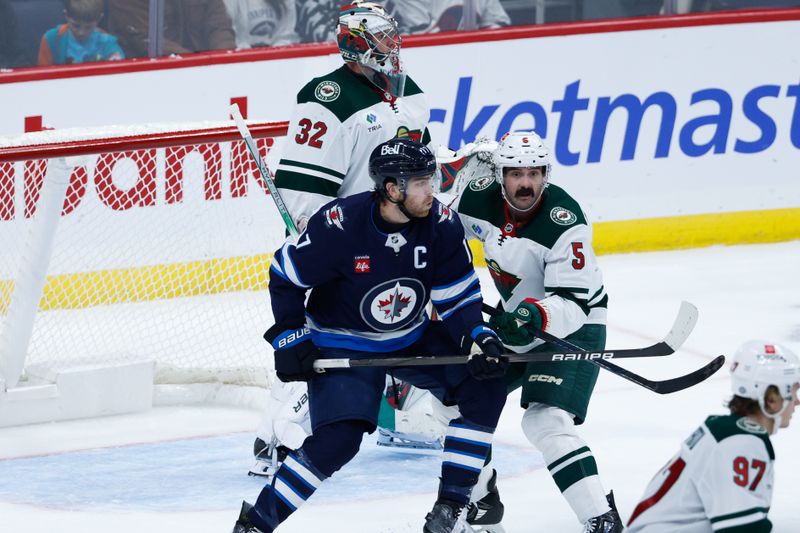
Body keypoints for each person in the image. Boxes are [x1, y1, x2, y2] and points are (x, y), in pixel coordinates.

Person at [232, 138, 509, 533]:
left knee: (485, 386)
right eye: (419, 183)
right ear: (393, 189)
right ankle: (256, 523)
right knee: (338, 442)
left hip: (412, 336)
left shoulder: (442, 225)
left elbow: (458, 296)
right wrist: (289, 336)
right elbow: (284, 275)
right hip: (344, 342)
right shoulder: (339, 225)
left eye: (429, 180)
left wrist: (477, 336)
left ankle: (450, 507)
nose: (431, 190)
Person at [250, 0, 435, 475]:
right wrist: (334, 244)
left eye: (394, 36)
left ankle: (398, 413)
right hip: (348, 243)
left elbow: (419, 165)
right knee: (331, 339)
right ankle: (274, 438)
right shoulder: (326, 98)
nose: (394, 46)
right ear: (357, 43)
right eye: (383, 38)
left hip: (397, 237)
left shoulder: (406, 90)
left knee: (409, 321)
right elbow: (304, 195)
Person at [452, 131, 622, 532]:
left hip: (572, 326)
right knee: (457, 402)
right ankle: (482, 501)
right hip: (513, 323)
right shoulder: (477, 200)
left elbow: (576, 304)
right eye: (515, 173)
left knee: (545, 420)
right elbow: (441, 237)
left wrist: (533, 315)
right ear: (500, 174)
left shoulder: (565, 222)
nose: (525, 183)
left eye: (535, 172)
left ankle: (601, 519)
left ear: (546, 174)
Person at [627, 340, 800, 532]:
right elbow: (743, 529)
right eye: (793, 392)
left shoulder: (727, 432)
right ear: (772, 398)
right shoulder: (740, 443)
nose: (797, 401)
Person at [106, 0, 235, 58]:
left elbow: (219, 25)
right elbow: (143, 38)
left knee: (237, 111)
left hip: (208, 74)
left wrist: (224, 59)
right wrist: (199, 64)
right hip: (151, 81)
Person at [37, 0, 124, 66]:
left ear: (99, 19)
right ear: (66, 15)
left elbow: (117, 61)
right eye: (76, 25)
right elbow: (43, 78)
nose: (81, 33)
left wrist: (116, 59)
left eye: (88, 27)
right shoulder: (51, 40)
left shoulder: (107, 43)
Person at [222, 0, 299, 49]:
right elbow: (228, 34)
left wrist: (275, 53)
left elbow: (287, 34)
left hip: (278, 58)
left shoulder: (287, 2)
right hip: (243, 59)